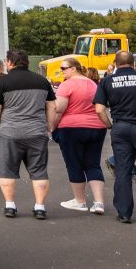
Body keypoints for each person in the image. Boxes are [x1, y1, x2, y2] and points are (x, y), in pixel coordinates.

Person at [0, 48, 57, 220]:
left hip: (8, 133)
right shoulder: (42, 81)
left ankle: (10, 205)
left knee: (6, 171)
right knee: (39, 171)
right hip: (36, 132)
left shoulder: (3, 82)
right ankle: (40, 207)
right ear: (26, 62)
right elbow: (52, 107)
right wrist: (49, 127)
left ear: (10, 62)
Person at [94, 51, 136, 224]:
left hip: (121, 128)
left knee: (123, 170)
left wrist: (110, 125)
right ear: (133, 63)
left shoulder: (107, 81)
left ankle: (124, 212)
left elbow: (99, 109)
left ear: (116, 63)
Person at [51, 56, 107, 214]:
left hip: (72, 128)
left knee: (74, 163)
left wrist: (52, 127)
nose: (61, 71)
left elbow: (59, 109)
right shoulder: (93, 84)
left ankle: (80, 201)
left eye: (63, 69)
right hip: (96, 127)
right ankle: (99, 203)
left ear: (73, 68)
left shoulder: (66, 85)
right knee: (93, 163)